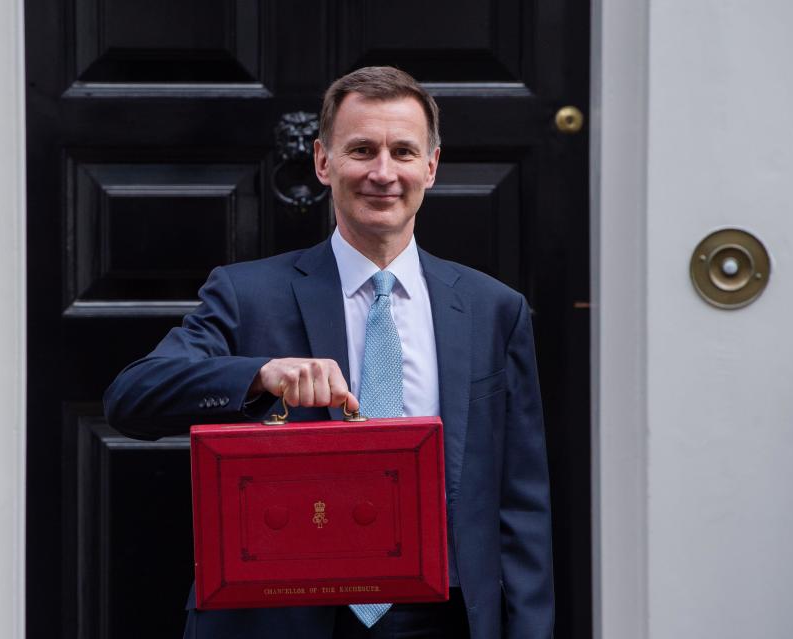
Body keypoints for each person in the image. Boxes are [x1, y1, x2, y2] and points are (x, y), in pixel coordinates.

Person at [104, 66, 553, 639]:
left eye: (403, 152)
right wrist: (260, 375)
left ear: (431, 167)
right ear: (323, 162)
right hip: (282, 613)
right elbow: (131, 396)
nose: (382, 173)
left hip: (445, 614)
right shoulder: (247, 294)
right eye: (361, 149)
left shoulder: (494, 309)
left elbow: (522, 502)